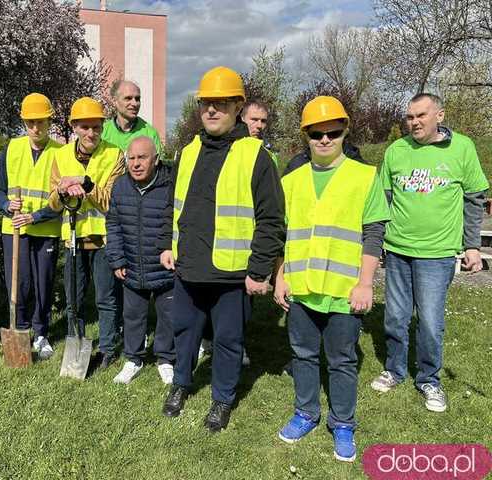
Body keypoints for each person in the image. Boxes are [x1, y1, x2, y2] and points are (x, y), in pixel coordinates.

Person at [157, 66, 284, 432]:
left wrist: (259, 270)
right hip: (188, 266)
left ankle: (222, 400)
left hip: (231, 274)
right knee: (185, 332)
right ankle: (181, 385)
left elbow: (271, 220)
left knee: (228, 341)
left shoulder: (256, 155)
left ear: (237, 108)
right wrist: (167, 245)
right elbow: (173, 204)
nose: (212, 111)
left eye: (221, 104)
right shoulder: (187, 152)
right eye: (206, 104)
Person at [274, 96, 390, 462]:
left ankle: (342, 424)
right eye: (316, 133)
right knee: (303, 355)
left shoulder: (364, 176)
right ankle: (306, 413)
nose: (325, 140)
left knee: (341, 361)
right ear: (305, 135)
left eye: (333, 132)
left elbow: (373, 233)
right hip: (302, 289)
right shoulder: (291, 181)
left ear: (345, 131)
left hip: (344, 290)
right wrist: (280, 277)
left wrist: (365, 283)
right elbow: (281, 235)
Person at [370, 93, 489, 413]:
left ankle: (429, 380)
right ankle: (394, 370)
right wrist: (378, 243)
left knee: (430, 322)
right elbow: (383, 200)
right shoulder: (396, 150)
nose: (414, 122)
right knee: (395, 317)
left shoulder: (462, 148)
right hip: (397, 250)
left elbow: (476, 197)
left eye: (421, 115)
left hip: (437, 254)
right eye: (409, 117)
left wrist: (472, 245)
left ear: (440, 115)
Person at [48, 97, 125, 369]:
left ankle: (107, 349)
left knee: (106, 298)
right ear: (74, 127)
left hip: (104, 239)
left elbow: (112, 202)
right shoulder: (60, 156)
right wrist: (60, 191)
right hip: (72, 239)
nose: (91, 133)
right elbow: (53, 204)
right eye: (85, 127)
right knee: (74, 299)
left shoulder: (114, 155)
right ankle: (75, 344)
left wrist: (86, 185)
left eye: (96, 127)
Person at [0, 93, 62, 359]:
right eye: (31, 122)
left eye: (41, 122)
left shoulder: (60, 152)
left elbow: (61, 200)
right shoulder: (11, 149)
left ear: (49, 121)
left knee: (43, 284)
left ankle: (41, 332)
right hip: (14, 231)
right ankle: (20, 330)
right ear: (24, 122)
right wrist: (6, 206)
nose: (36, 128)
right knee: (18, 284)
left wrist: (36, 217)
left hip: (45, 230)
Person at [106, 136, 175, 384]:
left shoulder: (170, 186)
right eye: (131, 158)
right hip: (132, 266)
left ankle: (166, 359)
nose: (136, 163)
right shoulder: (120, 186)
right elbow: (112, 225)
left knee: (168, 316)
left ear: (155, 160)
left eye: (142, 158)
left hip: (164, 269)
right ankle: (133, 358)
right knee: (133, 316)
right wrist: (117, 259)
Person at [101, 80, 163, 154]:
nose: (135, 103)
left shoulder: (150, 134)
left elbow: (157, 164)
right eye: (128, 98)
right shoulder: (102, 132)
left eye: (137, 99)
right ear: (115, 101)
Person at [241, 100, 278, 168]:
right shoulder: (229, 149)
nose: (259, 125)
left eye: (263, 121)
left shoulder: (270, 155)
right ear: (242, 119)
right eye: (254, 120)